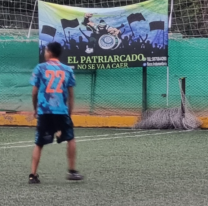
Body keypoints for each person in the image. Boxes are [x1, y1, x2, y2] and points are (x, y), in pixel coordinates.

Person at [29, 42, 83, 184]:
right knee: (70, 139)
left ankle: (33, 175)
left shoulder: (40, 68)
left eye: (46, 50)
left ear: (49, 52)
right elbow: (71, 95)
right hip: (61, 110)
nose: (45, 52)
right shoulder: (67, 70)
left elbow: (34, 92)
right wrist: (69, 113)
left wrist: (35, 109)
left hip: (44, 110)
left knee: (39, 142)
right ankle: (72, 171)